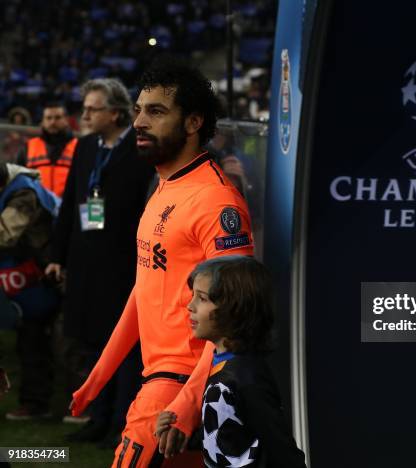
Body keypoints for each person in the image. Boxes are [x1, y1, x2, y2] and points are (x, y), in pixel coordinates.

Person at [69, 57, 254, 467]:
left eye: (155, 111)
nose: (139, 121)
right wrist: (99, 376)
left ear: (193, 122)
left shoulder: (216, 201)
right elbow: (147, 290)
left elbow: (235, 318)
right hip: (163, 385)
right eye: (137, 110)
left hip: (183, 391)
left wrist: (186, 408)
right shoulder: (165, 186)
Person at [45, 78, 154, 444]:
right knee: (93, 345)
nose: (85, 114)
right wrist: (57, 255)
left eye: (93, 108)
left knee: (122, 347)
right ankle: (98, 418)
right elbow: (71, 201)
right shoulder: (86, 146)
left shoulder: (140, 150)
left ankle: (122, 423)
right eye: (85, 107)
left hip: (122, 265)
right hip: (85, 261)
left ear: (116, 112)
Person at [156, 256, 306, 467]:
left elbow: (281, 447)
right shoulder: (223, 365)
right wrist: (188, 438)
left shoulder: (247, 377)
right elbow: (230, 435)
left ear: (234, 309)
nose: (190, 305)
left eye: (202, 298)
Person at [0, 162, 60, 420]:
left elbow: (5, 234)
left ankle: (37, 404)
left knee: (34, 339)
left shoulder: (24, 193)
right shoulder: (15, 184)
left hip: (46, 273)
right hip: (27, 269)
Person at [17, 102, 77, 197]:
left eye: (57, 118)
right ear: (43, 121)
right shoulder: (28, 147)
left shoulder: (78, 147)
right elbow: (18, 181)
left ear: (66, 120)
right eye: (48, 118)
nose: (52, 122)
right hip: (36, 208)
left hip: (68, 207)